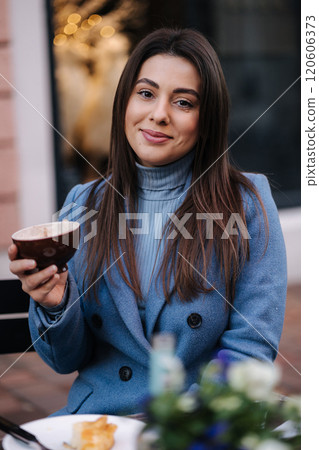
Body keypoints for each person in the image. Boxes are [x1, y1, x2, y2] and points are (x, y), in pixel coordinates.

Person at [8, 28, 287, 416]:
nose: (158, 113)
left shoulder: (247, 203)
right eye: (146, 93)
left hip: (197, 422)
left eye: (184, 102)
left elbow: (251, 350)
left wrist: (188, 430)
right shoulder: (83, 204)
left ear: (206, 119)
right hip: (101, 421)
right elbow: (65, 360)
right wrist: (56, 304)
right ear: (124, 101)